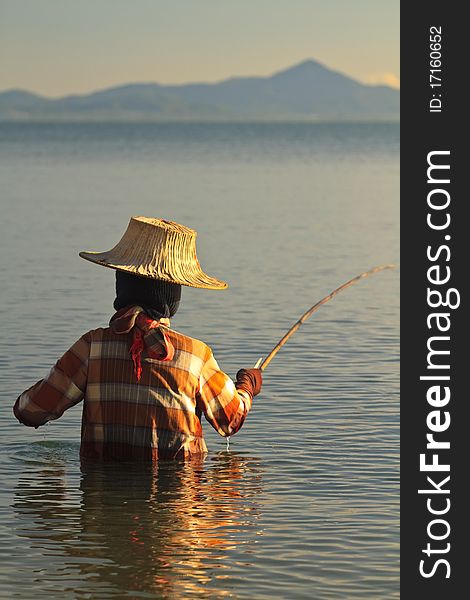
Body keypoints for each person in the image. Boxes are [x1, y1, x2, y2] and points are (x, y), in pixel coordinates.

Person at [13, 216, 262, 459]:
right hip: (180, 496)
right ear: (172, 297)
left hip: (103, 493)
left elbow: (30, 411)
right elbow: (230, 421)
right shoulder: (196, 356)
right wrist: (247, 386)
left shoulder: (92, 347)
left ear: (122, 287)